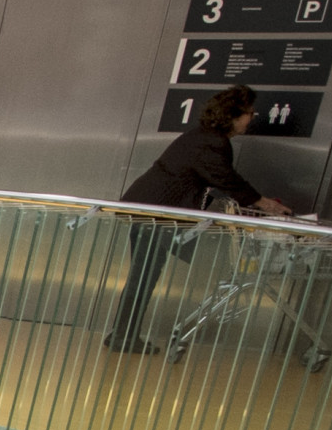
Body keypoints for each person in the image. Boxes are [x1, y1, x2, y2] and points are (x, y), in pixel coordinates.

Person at [107, 83, 309, 353]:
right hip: (155, 212)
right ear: (233, 115)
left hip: (150, 210)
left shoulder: (204, 138)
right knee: (144, 276)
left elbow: (214, 179)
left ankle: (122, 334)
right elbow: (224, 177)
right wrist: (262, 203)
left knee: (142, 275)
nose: (251, 118)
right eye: (249, 112)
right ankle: (123, 336)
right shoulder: (213, 142)